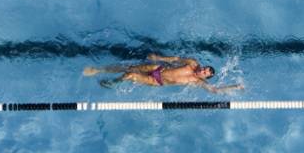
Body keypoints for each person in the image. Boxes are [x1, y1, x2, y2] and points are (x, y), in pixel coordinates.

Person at [83, 53, 243, 93]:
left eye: (205, 72)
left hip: (158, 81)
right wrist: (158, 57)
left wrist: (235, 87)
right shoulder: (192, 63)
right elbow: (174, 59)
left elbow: (215, 90)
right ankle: (99, 70)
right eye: (205, 68)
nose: (202, 70)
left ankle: (112, 83)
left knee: (130, 76)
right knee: (128, 68)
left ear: (205, 77)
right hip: (158, 69)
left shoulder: (197, 82)